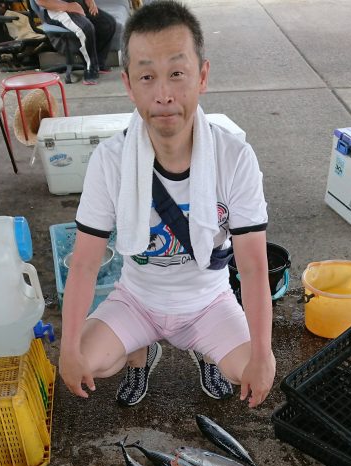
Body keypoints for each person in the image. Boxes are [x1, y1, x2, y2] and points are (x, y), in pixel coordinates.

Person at [59, 0, 276, 408]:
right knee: (85, 360)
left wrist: (263, 356)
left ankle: (207, 350)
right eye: (147, 76)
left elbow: (252, 266)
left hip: (208, 302)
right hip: (137, 300)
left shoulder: (235, 157)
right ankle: (141, 355)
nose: (163, 94)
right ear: (128, 83)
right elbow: (85, 263)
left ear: (202, 76)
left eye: (177, 73)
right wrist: (68, 348)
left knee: (253, 366)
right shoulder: (110, 159)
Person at [37, 0, 116, 84]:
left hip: (75, 4)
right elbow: (41, 1)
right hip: (56, 9)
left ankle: (99, 64)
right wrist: (68, 6)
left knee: (108, 23)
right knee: (86, 28)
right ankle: (90, 69)